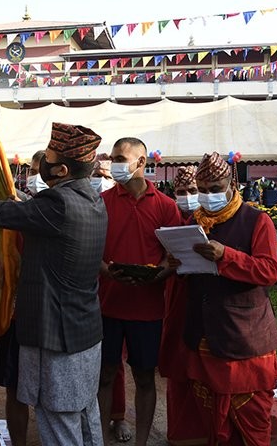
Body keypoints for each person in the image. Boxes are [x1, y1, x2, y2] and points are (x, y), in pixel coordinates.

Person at [0, 122, 107, 446]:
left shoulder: (57, 204)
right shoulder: (91, 199)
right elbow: (30, 210)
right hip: (84, 332)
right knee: (86, 417)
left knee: (59, 424)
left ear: (59, 168)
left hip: (56, 338)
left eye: (47, 156)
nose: (42, 161)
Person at [174, 152, 277, 446]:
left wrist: (227, 256)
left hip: (244, 338)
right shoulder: (194, 221)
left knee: (252, 425)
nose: (209, 196)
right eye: (204, 190)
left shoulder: (257, 220)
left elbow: (269, 271)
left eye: (216, 189)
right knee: (214, 425)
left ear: (232, 184)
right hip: (203, 335)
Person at [97, 138, 181, 446]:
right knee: (105, 376)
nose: (115, 163)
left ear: (141, 162)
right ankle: (103, 438)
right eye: (113, 157)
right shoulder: (102, 203)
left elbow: (174, 255)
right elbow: (90, 250)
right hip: (107, 305)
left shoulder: (166, 206)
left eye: (121, 158)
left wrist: (156, 274)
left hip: (147, 309)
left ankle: (142, 441)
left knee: (145, 378)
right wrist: (106, 270)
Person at [0, 148, 45, 445]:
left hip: (44, 317)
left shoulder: (59, 209)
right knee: (13, 387)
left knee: (47, 390)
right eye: (32, 170)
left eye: (42, 170)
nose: (36, 177)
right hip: (13, 313)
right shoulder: (18, 208)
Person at [158, 165, 208, 445]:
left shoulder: (216, 221)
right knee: (179, 366)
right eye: (181, 192)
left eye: (193, 191)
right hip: (177, 299)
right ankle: (180, 433)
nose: (187, 197)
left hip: (208, 303)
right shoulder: (173, 222)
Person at [92, 154, 130, 443]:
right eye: (96, 174)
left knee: (114, 363)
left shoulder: (119, 202)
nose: (100, 180)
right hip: (85, 295)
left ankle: (118, 417)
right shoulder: (91, 203)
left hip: (116, 294)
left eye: (105, 175)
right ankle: (93, 421)